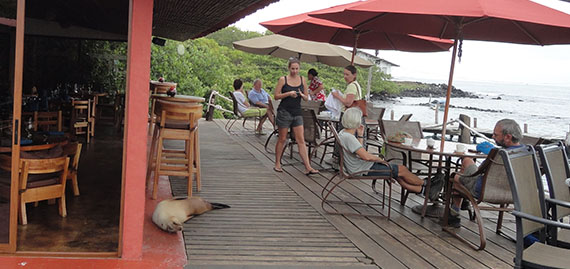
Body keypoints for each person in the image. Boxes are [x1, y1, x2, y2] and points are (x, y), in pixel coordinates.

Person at [337, 107, 442, 198]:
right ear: (357, 121)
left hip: (359, 166)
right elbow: (366, 156)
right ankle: (428, 184)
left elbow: (360, 151)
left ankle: (424, 191)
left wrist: (360, 134)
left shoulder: (343, 133)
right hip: (362, 169)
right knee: (402, 170)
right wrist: (381, 161)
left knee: (398, 174)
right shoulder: (349, 138)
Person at [447, 118, 524, 227]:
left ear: (508, 137)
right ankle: (463, 203)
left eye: (495, 135)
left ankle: (454, 214)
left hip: (482, 190)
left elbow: (480, 170)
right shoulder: (527, 154)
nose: (493, 137)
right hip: (512, 194)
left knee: (459, 170)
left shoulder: (498, 154)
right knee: (464, 171)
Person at [273, 57, 319, 175]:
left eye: (296, 69)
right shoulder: (283, 80)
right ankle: (277, 163)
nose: (294, 71)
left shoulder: (303, 79)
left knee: (301, 140)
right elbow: (276, 96)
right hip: (284, 111)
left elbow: (306, 96)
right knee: (282, 138)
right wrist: (288, 93)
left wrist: (303, 96)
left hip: (297, 112)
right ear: (289, 68)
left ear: (299, 69)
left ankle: (308, 166)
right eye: (292, 69)